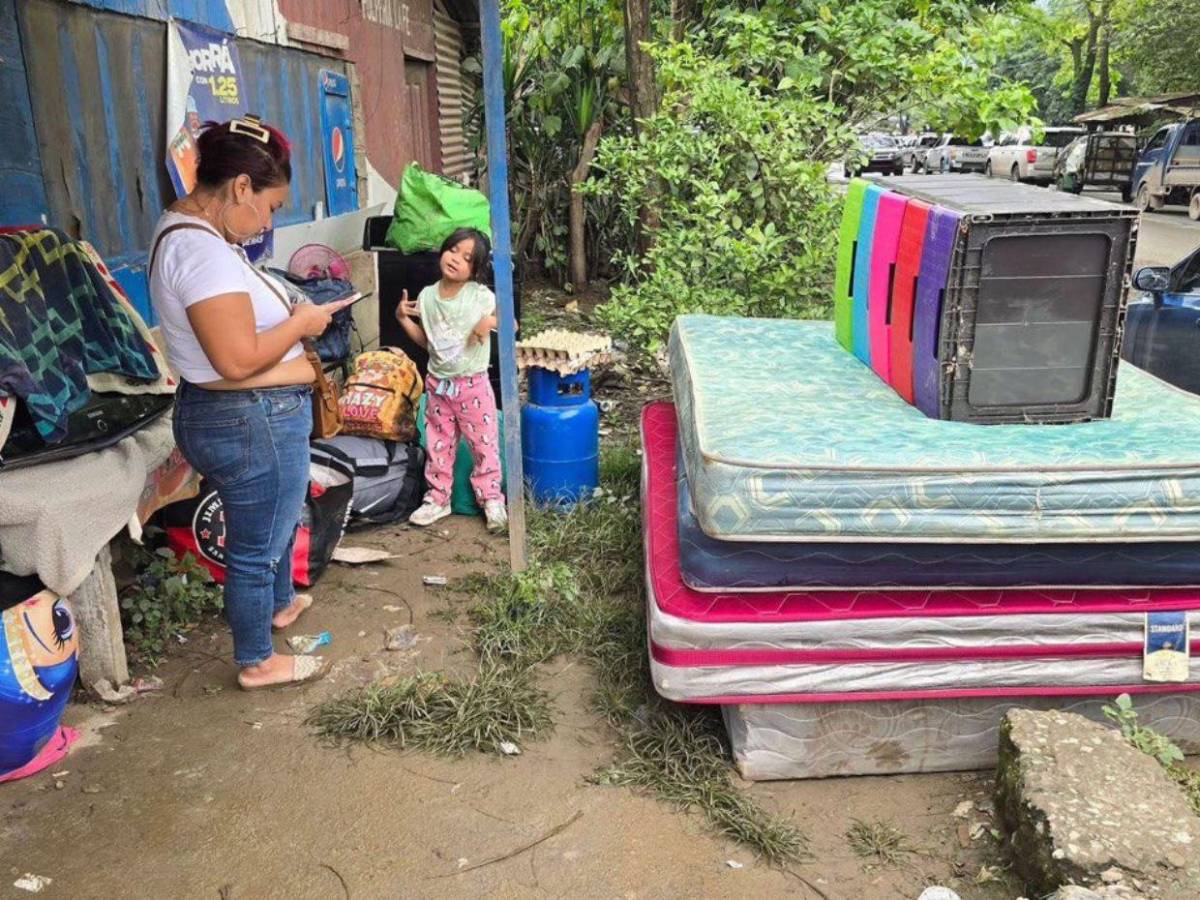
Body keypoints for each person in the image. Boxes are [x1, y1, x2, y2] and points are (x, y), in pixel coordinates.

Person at [148, 117, 351, 690]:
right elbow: (235, 361)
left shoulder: (198, 234)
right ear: (241, 187)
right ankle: (257, 660)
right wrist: (302, 324)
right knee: (256, 543)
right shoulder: (202, 253)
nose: (269, 220)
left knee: (281, 517)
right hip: (246, 420)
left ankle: (280, 603)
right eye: (269, 205)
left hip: (252, 413)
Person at [396, 228, 507, 533]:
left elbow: (511, 322)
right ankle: (437, 498)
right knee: (438, 443)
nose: (456, 259)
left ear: (476, 269)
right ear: (443, 250)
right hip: (438, 385)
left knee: (484, 444)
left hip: (472, 385)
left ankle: (492, 499)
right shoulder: (428, 296)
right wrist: (404, 320)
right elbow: (428, 343)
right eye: (453, 250)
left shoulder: (481, 296)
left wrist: (490, 322)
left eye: (467, 258)